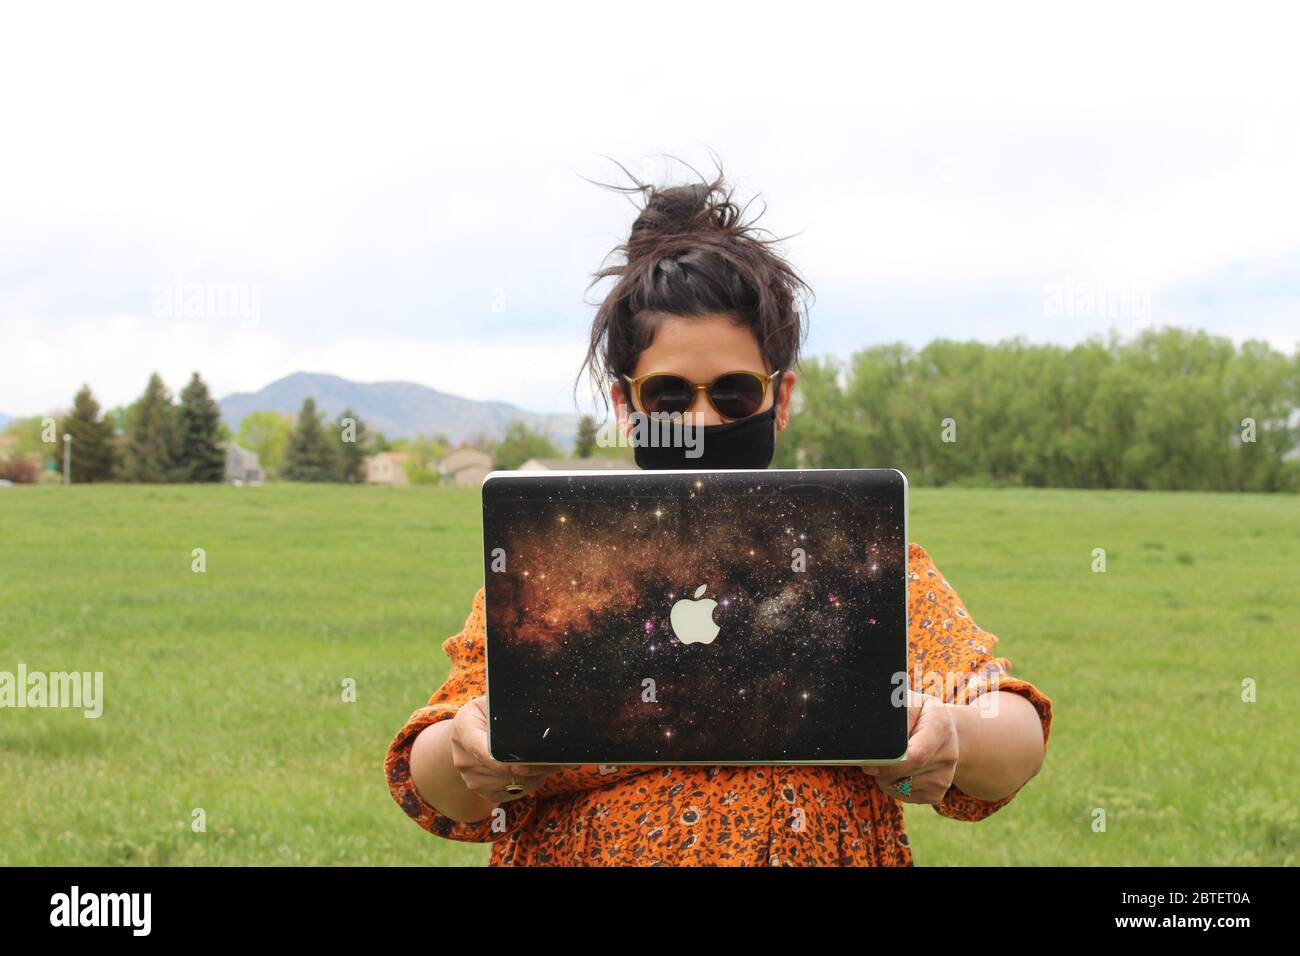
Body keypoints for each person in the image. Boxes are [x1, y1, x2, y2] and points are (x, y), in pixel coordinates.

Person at [384, 160, 1052, 866]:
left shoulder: (856, 553)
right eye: (669, 396)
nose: (700, 419)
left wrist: (953, 732)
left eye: (733, 393)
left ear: (781, 398)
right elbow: (435, 779)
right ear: (625, 407)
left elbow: (1012, 734)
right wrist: (467, 753)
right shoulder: (556, 558)